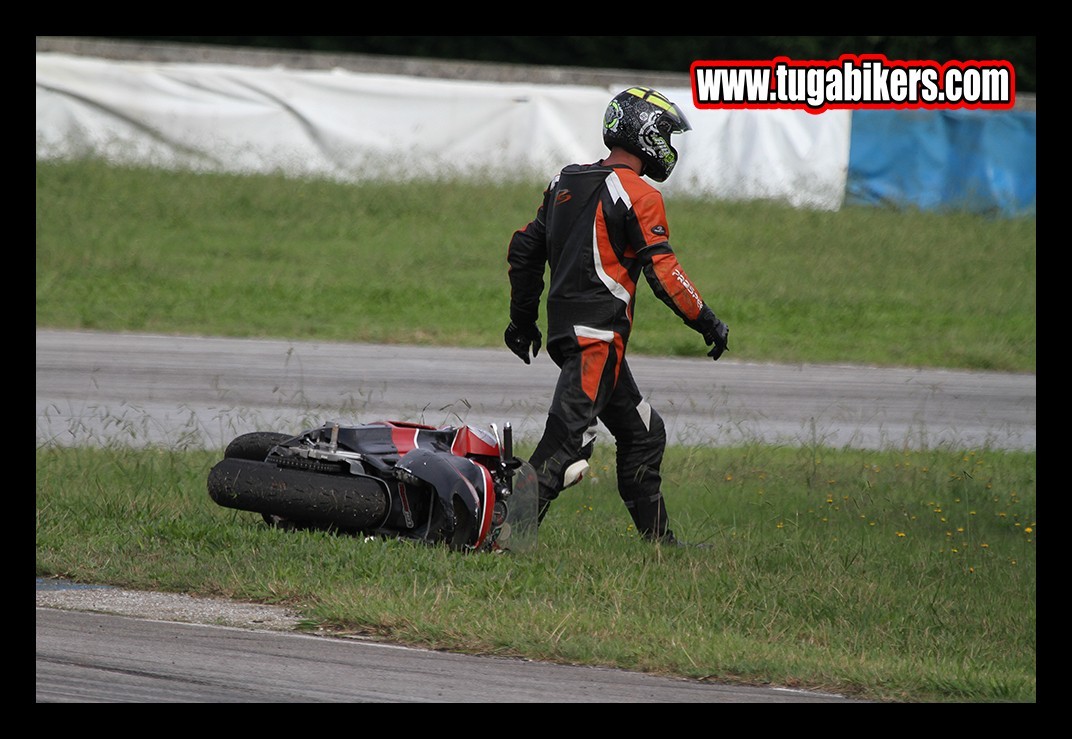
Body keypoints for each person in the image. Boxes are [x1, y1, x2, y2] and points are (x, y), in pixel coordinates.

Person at [504, 86, 730, 544]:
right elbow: (663, 272)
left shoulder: (564, 180)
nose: (670, 145)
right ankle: (500, 538)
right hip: (597, 340)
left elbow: (524, 250)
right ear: (647, 134)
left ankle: (660, 547)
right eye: (667, 134)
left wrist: (523, 321)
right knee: (564, 450)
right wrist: (706, 320)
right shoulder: (637, 192)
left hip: (575, 335)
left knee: (645, 435)